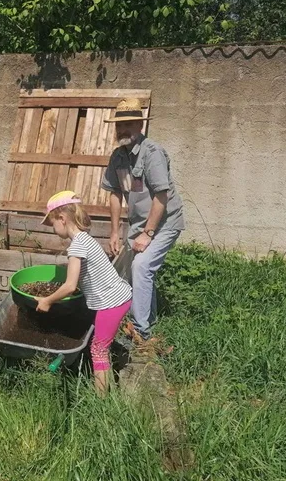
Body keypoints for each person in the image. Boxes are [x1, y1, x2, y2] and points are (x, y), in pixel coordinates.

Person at [101, 98, 185, 347]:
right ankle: (150, 321)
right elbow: (115, 193)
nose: (122, 130)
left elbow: (162, 195)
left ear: (140, 124)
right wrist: (115, 231)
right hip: (140, 226)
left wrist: (148, 233)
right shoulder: (118, 157)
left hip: (165, 223)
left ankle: (141, 333)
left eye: (128, 124)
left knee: (141, 268)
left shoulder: (152, 153)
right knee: (136, 270)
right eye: (119, 125)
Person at [35, 190, 133, 395]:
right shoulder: (85, 239)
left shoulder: (77, 246)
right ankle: (106, 389)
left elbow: (70, 286)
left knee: (98, 349)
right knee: (100, 345)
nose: (53, 229)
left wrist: (47, 301)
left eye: (52, 223)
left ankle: (101, 402)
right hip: (118, 297)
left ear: (61, 218)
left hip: (111, 303)